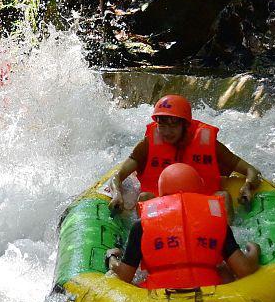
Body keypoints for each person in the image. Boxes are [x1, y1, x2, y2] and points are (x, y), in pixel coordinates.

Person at [107, 162, 260, 289]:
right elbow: (244, 270)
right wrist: (254, 250)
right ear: (199, 193)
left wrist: (112, 258)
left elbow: (124, 276)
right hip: (209, 292)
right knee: (224, 270)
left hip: (158, 297)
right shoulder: (216, 222)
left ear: (161, 195)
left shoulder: (141, 226)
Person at [108, 94, 263, 213]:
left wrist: (247, 186)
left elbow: (251, 170)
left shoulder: (210, 146)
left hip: (202, 208)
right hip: (162, 210)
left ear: (185, 125)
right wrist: (116, 194)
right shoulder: (146, 146)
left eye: (173, 126)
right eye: (162, 126)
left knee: (223, 196)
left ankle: (228, 247)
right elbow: (117, 176)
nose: (167, 132)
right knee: (144, 198)